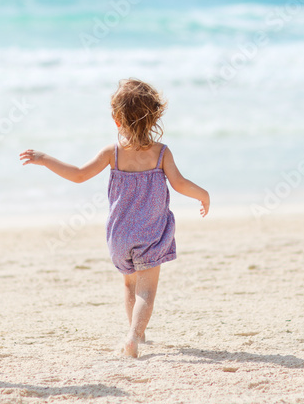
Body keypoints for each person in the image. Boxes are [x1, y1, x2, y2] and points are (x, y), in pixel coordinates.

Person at [20, 78, 209, 357]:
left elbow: (78, 175)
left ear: (117, 119)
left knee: (129, 283)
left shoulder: (113, 153)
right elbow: (179, 184)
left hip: (119, 235)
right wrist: (203, 195)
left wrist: (45, 158)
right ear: (155, 116)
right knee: (147, 290)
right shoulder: (161, 153)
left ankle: (138, 334)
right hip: (152, 234)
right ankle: (134, 336)